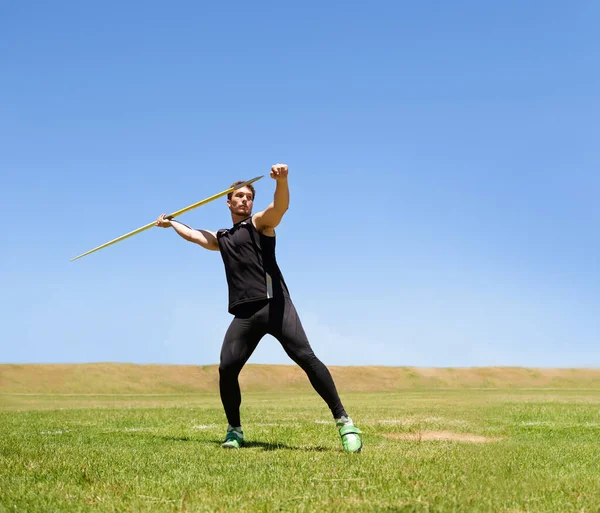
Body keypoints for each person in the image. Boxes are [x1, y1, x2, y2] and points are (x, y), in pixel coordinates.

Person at [156, 164, 362, 452]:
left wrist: (282, 181)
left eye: (248, 197)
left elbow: (279, 208)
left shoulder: (260, 224)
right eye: (238, 196)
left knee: (306, 358)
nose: (243, 200)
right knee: (227, 369)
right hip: (245, 314)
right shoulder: (223, 238)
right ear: (228, 201)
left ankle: (345, 422)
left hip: (275, 306)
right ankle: (234, 430)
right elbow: (195, 235)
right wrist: (171, 224)